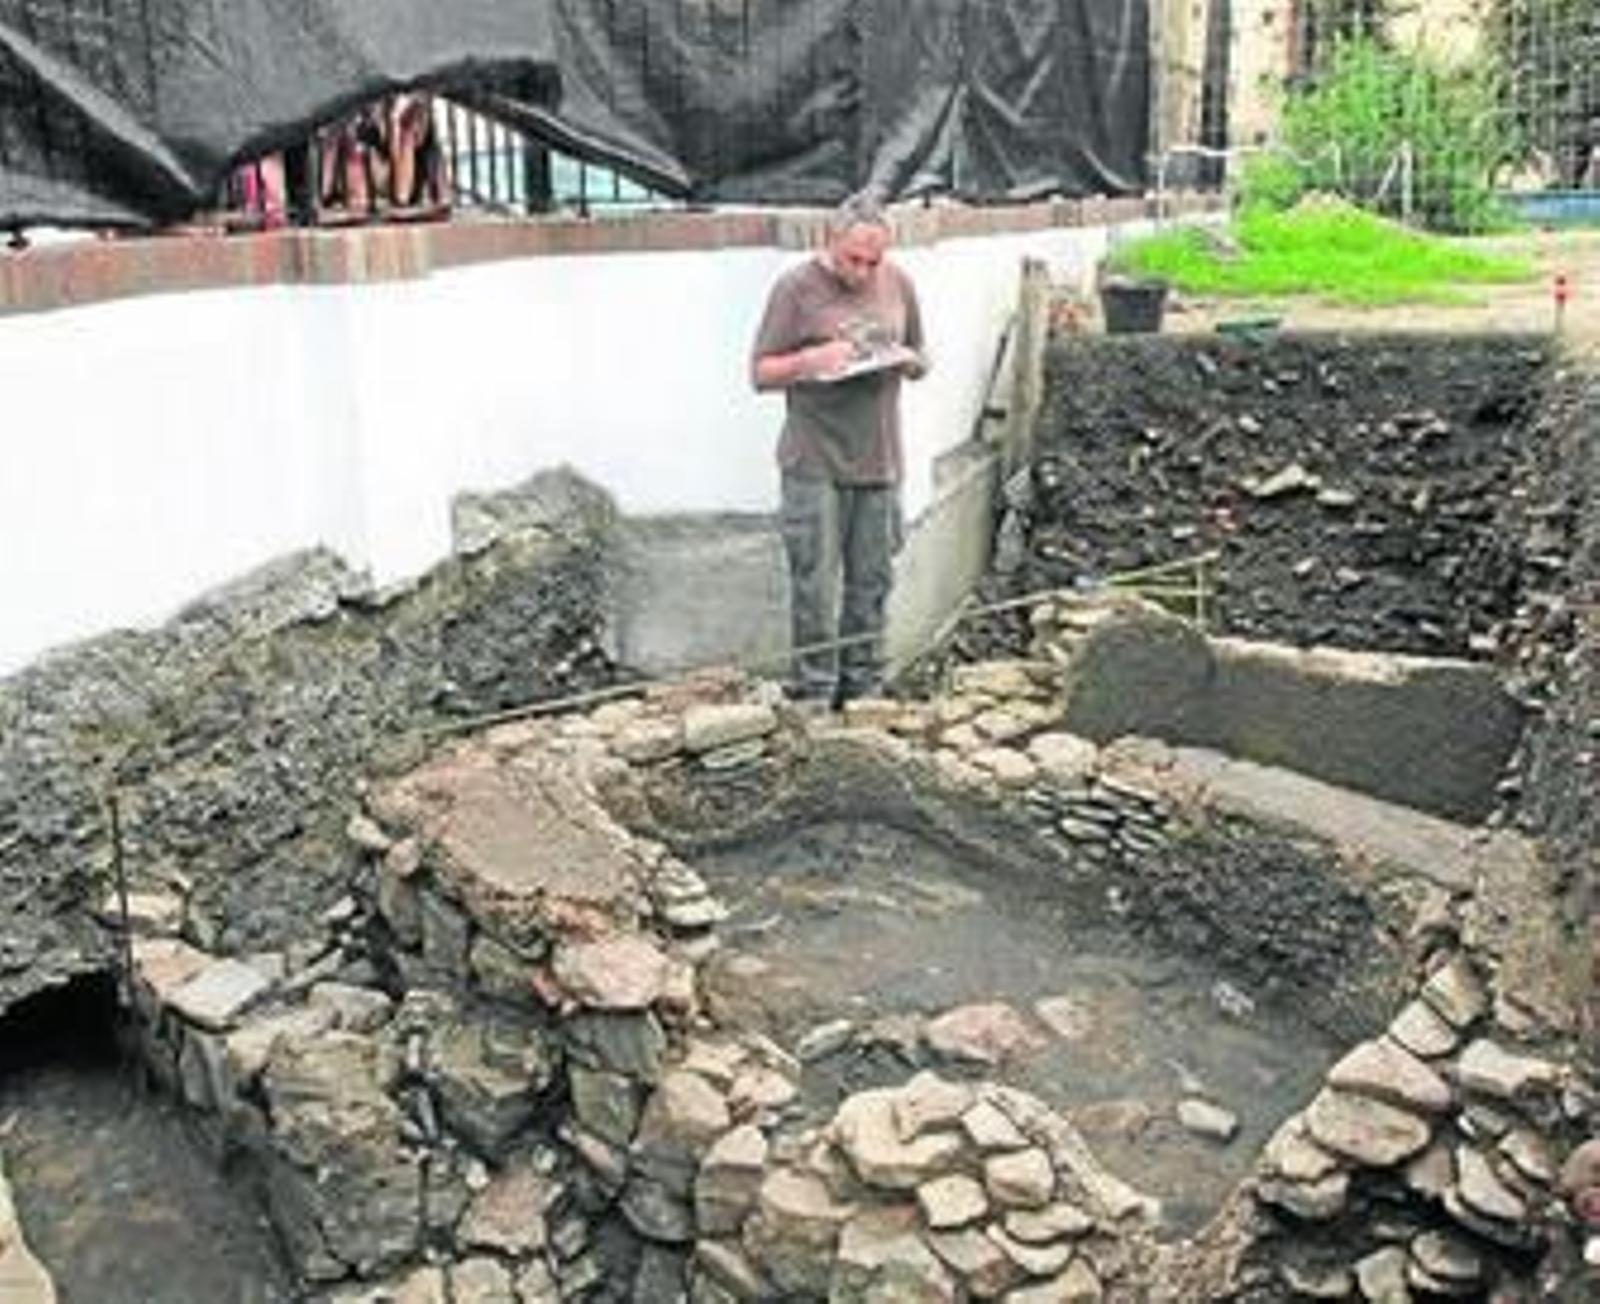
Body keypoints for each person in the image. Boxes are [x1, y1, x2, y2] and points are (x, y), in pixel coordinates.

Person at [750, 194, 928, 708]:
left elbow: (921, 353)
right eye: (854, 259)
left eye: (874, 260)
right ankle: (815, 691)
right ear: (831, 240)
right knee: (815, 584)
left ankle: (864, 686)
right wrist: (812, 361)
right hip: (814, 460)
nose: (864, 271)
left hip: (880, 457)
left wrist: (907, 361)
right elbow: (760, 372)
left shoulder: (898, 282)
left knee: (873, 581)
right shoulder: (795, 288)